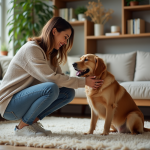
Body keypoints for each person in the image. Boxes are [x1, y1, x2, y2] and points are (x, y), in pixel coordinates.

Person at [0, 17, 103, 137]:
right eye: (65, 37)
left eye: (67, 39)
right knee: (51, 87)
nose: (65, 42)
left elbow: (60, 77)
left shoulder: (50, 54)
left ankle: (31, 122)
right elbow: (51, 79)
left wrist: (84, 80)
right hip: (9, 104)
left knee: (68, 93)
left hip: (22, 100)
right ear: (54, 31)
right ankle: (21, 128)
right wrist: (83, 82)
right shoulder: (32, 49)